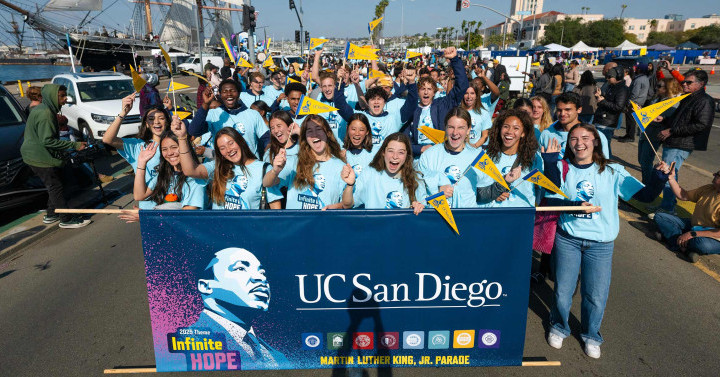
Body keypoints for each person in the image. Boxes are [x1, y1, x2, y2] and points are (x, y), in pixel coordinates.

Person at [541, 123, 670, 359]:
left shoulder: (613, 171)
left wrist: (659, 179)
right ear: (568, 143)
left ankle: (591, 335)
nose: (579, 143)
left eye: (585, 138)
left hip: (600, 245)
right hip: (568, 239)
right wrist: (550, 164)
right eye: (574, 139)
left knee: (596, 294)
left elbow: (646, 196)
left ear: (596, 142)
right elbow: (549, 202)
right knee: (562, 290)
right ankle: (559, 326)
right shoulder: (562, 167)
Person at [191, 247, 290, 369]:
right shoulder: (186, 344)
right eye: (241, 268)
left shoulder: (278, 358)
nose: (260, 278)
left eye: (262, 272)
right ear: (205, 286)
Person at [20, 84, 90, 228]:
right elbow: (47, 141)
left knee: (55, 184)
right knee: (56, 186)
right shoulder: (46, 113)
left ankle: (52, 214)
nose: (65, 99)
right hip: (39, 156)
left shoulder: (43, 108)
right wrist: (74, 145)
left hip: (34, 154)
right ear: (52, 96)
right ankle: (66, 219)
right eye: (62, 96)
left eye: (65, 95)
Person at [173, 119, 282, 210]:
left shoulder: (263, 168)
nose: (229, 150)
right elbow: (189, 171)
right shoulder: (217, 167)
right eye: (222, 148)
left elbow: (275, 207)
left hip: (250, 233)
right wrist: (182, 138)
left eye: (231, 143)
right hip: (221, 233)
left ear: (240, 141)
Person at [655, 69, 715, 215]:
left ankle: (668, 208)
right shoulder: (688, 97)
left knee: (669, 174)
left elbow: (701, 124)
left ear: (701, 84)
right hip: (675, 142)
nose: (684, 84)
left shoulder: (704, 100)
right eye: (683, 81)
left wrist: (671, 131)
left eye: (689, 82)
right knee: (668, 174)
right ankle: (667, 205)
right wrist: (664, 120)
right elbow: (678, 120)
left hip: (682, 143)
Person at [264, 115, 349, 210]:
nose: (315, 135)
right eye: (309, 131)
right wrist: (275, 171)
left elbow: (348, 203)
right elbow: (267, 183)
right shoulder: (294, 162)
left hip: (324, 223)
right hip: (296, 224)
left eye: (318, 129)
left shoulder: (340, 166)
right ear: (305, 137)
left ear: (328, 133)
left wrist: (333, 207)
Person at [406, 46, 468, 157]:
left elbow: (462, 85)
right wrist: (420, 149)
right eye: (422, 89)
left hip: (441, 155)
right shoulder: (412, 109)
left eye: (429, 89)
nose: (426, 92)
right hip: (418, 157)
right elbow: (404, 140)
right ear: (418, 92)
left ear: (434, 92)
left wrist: (454, 59)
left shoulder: (443, 104)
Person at [335, 68, 418, 150]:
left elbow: (411, 104)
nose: (376, 102)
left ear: (385, 102)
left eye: (379, 99)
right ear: (367, 102)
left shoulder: (394, 118)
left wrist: (411, 82)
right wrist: (340, 82)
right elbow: (340, 105)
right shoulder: (360, 117)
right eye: (372, 99)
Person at [475, 109, 542, 208]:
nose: (509, 132)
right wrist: (494, 193)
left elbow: (544, 191)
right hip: (492, 217)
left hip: (521, 217)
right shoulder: (485, 156)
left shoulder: (534, 158)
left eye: (516, 128)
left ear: (523, 133)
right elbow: (476, 194)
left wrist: (550, 162)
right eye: (506, 127)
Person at [346, 132, 426, 214]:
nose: (395, 156)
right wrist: (350, 185)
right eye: (391, 151)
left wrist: (419, 207)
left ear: (407, 155)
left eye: (401, 152)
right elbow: (347, 205)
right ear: (383, 152)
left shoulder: (416, 179)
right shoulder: (369, 173)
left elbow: (424, 212)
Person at [188, 79, 270, 159]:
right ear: (220, 94)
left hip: (250, 166)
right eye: (224, 92)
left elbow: (266, 139)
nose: (229, 94)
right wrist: (205, 104)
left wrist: (267, 153)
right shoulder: (214, 114)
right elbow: (194, 131)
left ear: (238, 93)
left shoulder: (253, 114)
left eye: (232, 91)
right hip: (226, 168)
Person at [417, 108, 481, 208]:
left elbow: (484, 191)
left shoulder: (477, 156)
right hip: (436, 218)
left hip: (466, 218)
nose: (455, 133)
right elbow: (418, 188)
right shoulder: (429, 155)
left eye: (461, 128)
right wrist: (436, 191)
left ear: (468, 130)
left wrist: (503, 184)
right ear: (445, 127)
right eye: (451, 127)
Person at [653, 168, 720, 262]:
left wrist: (692, 234)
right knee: (660, 217)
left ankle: (673, 239)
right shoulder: (709, 188)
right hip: (694, 226)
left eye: (717, 174)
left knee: (701, 245)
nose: (713, 174)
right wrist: (671, 178)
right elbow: (684, 196)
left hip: (713, 237)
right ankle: (685, 248)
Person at [103, 93, 170, 184]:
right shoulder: (138, 145)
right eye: (151, 119)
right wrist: (123, 112)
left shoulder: (175, 143)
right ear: (146, 124)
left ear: (166, 121)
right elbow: (108, 139)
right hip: (149, 197)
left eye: (161, 118)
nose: (156, 122)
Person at [132, 131, 206, 210]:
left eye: (174, 147)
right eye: (164, 149)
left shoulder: (197, 177)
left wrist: (148, 217)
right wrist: (141, 163)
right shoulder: (164, 174)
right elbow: (139, 196)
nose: (169, 153)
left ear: (186, 148)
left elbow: (188, 214)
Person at [539, 92, 610, 158]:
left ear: (579, 109)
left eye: (567, 110)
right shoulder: (546, 134)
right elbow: (538, 164)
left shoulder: (596, 136)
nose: (562, 114)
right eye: (559, 110)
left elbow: (603, 165)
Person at [638, 78, 681, 185]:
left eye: (659, 86)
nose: (656, 88)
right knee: (641, 159)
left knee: (646, 161)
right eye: (657, 85)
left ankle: (647, 184)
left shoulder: (672, 103)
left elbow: (666, 120)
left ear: (668, 89)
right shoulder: (657, 98)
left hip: (654, 134)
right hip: (645, 132)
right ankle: (647, 181)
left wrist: (647, 116)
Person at [593, 66, 628, 157]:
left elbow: (618, 107)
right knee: (600, 148)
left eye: (610, 77)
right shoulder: (611, 86)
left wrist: (602, 101)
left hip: (607, 123)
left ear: (618, 76)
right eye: (607, 77)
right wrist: (600, 96)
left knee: (605, 150)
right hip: (601, 120)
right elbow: (609, 100)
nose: (607, 79)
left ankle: (608, 166)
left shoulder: (622, 89)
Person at [462, 75, 500, 148]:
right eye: (466, 93)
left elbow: (485, 135)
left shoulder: (483, 112)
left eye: (472, 93)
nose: (469, 96)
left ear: (477, 95)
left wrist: (474, 147)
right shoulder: (458, 111)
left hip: (477, 149)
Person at [618, 63, 651, 143]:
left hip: (634, 102)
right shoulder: (645, 78)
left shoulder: (639, 80)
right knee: (630, 120)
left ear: (640, 69)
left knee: (630, 120)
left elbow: (635, 93)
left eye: (637, 68)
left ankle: (630, 136)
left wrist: (628, 102)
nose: (635, 69)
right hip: (639, 101)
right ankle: (628, 134)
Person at [343, 113, 375, 177]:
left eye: (361, 130)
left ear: (367, 131)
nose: (357, 133)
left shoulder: (375, 152)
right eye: (353, 129)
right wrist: (341, 161)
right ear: (347, 129)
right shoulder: (340, 152)